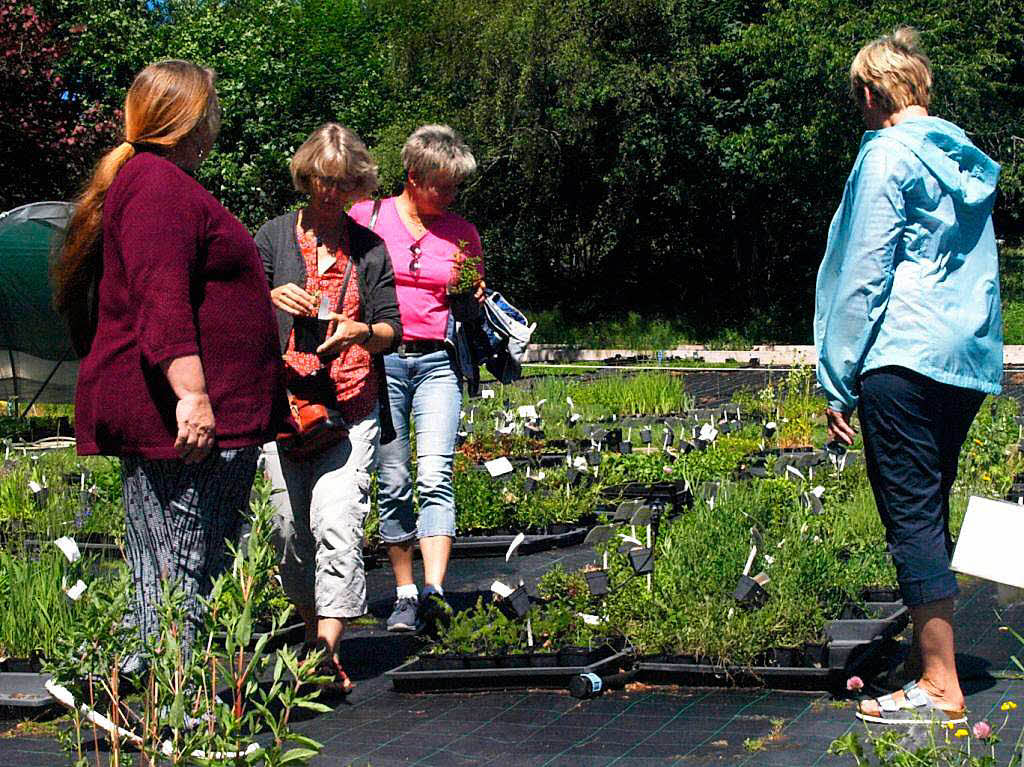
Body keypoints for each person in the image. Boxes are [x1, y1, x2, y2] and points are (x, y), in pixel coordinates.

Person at [53, 60, 286, 671]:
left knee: (166, 568)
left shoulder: (150, 181)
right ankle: (178, 710)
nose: (218, 121)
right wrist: (193, 395)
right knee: (186, 567)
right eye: (213, 108)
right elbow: (162, 298)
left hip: (190, 418)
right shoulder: (158, 186)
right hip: (185, 424)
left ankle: (150, 694)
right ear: (191, 118)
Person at [814, 28, 1002, 725]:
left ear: (870, 92)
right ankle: (934, 661)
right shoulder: (961, 158)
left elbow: (863, 274)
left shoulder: (887, 155)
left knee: (912, 517)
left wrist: (837, 375)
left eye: (856, 96)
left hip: (902, 356)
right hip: (962, 359)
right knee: (931, 504)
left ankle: (940, 685)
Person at [256, 124, 401, 693]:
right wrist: (268, 296)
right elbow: (232, 309)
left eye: (342, 184)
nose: (329, 193)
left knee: (337, 523)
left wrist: (361, 331)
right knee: (290, 532)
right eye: (321, 181)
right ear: (306, 176)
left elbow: (394, 330)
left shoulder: (370, 249)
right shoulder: (271, 238)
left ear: (356, 185)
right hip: (285, 408)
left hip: (350, 406)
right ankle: (313, 630)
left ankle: (324, 649)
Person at [349, 124, 484, 632]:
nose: (449, 196)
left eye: (454, 187)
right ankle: (403, 590)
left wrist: (472, 301)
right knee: (395, 477)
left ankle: (433, 591)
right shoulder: (368, 218)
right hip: (381, 360)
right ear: (413, 176)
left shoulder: (461, 233)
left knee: (434, 474)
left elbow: (470, 303)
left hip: (437, 362)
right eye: (441, 185)